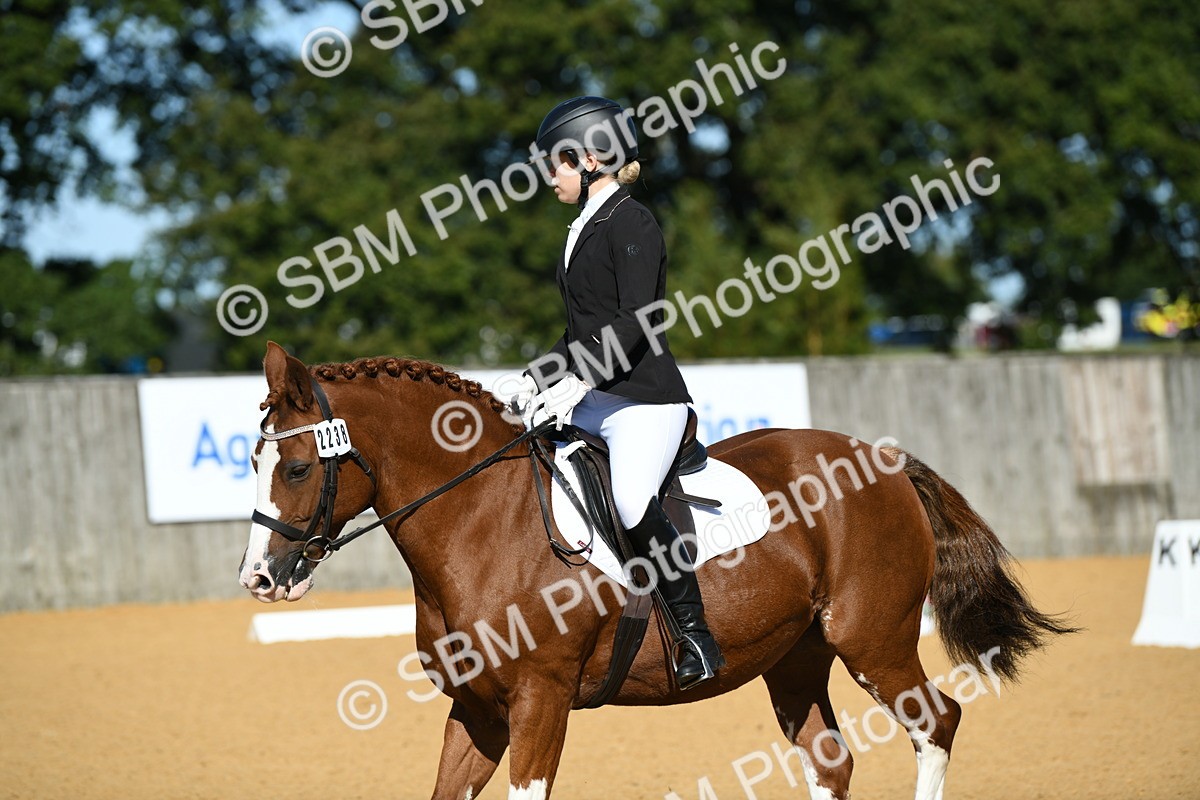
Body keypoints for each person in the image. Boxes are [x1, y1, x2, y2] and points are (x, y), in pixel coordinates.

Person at [511, 96, 724, 690]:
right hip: (595, 397)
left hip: (644, 401)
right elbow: (584, 324)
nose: (549, 176)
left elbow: (639, 320)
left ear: (589, 159)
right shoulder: (583, 225)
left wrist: (580, 375)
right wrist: (536, 376)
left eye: (556, 163)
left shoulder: (633, 222)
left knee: (632, 501)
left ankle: (694, 635)